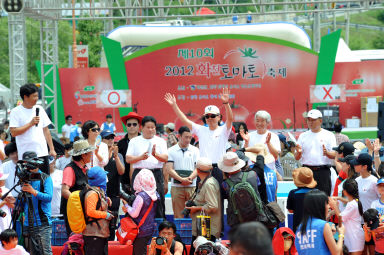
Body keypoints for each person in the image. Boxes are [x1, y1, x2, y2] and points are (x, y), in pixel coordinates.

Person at [9, 83, 56, 175]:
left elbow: (46, 130)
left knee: (44, 180)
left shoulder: (40, 109)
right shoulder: (16, 112)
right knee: (29, 182)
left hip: (42, 152)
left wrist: (52, 149)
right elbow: (13, 132)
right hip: (26, 155)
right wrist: (30, 124)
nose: (36, 99)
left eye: (37, 96)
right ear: (25, 97)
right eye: (34, 96)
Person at [126, 116, 168, 218]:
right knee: (138, 201)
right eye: (148, 127)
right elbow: (128, 159)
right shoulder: (134, 141)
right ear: (141, 128)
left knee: (158, 201)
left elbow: (165, 158)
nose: (150, 130)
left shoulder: (161, 141)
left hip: (155, 174)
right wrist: (140, 157)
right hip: (139, 174)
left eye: (152, 127)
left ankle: (159, 225)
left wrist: (156, 155)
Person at [295, 109, 337, 196]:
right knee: (305, 199)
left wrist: (327, 153)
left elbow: (334, 155)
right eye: (308, 120)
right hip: (306, 171)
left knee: (323, 198)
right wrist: (298, 153)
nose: (310, 122)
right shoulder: (303, 136)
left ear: (320, 121)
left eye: (313, 120)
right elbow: (296, 157)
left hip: (322, 171)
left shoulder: (329, 135)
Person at [19, 151, 53, 255]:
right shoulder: (25, 178)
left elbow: (49, 197)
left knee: (45, 252)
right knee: (31, 253)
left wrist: (33, 192)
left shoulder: (45, 178)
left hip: (42, 222)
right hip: (28, 223)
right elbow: (23, 201)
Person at [187, 157, 221, 255]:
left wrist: (195, 208)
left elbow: (212, 205)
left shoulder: (209, 184)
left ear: (197, 170)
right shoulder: (206, 181)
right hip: (204, 226)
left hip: (206, 227)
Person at [61, 140, 95, 236]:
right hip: (74, 213)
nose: (91, 154)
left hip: (83, 212)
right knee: (75, 241)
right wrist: (78, 201)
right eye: (90, 152)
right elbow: (64, 191)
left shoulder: (86, 169)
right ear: (83, 155)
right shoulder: (69, 169)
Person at [295, 190, 345, 255]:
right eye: (327, 203)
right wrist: (341, 234)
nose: (329, 207)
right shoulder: (323, 225)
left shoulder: (300, 227)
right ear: (321, 206)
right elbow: (336, 253)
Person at [220, 151, 262, 228]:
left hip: (237, 222)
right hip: (256, 219)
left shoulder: (225, 184)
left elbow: (225, 196)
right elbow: (258, 188)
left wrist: (224, 177)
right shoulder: (253, 175)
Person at [122, 169, 159, 255]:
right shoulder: (155, 194)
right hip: (149, 229)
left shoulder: (141, 196)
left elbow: (134, 214)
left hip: (139, 230)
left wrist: (127, 206)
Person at [165, 126, 199, 218]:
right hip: (176, 187)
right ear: (179, 136)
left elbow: (198, 168)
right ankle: (179, 232)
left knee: (194, 214)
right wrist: (181, 179)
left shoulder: (195, 150)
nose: (188, 140)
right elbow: (169, 169)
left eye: (190, 137)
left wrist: (189, 178)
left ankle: (194, 232)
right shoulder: (171, 151)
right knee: (178, 214)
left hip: (192, 186)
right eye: (186, 137)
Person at [83, 166, 113, 255]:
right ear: (100, 178)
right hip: (93, 235)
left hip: (100, 234)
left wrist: (106, 200)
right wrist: (105, 215)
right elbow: (90, 212)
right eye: (104, 176)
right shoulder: (92, 193)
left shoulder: (98, 192)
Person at [100, 129, 125, 241]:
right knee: (100, 223)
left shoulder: (118, 155)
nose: (110, 140)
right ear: (102, 140)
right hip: (100, 195)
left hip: (114, 195)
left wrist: (115, 156)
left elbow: (121, 171)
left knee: (112, 225)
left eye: (112, 138)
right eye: (107, 138)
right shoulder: (98, 154)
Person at [241, 110, 281, 176]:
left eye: (262, 121)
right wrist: (246, 142)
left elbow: (276, 156)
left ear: (267, 123)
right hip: (252, 172)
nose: (259, 123)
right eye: (257, 120)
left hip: (269, 171)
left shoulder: (273, 136)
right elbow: (243, 154)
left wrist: (268, 143)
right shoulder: (249, 136)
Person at [117, 112, 142, 194]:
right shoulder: (120, 143)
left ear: (139, 126)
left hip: (143, 180)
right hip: (125, 181)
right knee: (127, 206)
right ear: (126, 126)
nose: (132, 127)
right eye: (129, 124)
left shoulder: (145, 141)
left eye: (134, 124)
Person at [287, 167, 318, 232]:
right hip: (315, 228)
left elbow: (290, 210)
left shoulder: (293, 193)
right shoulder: (318, 193)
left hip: (298, 227)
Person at [339, 179, 364, 254]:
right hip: (352, 238)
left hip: (355, 239)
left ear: (345, 192)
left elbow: (340, 217)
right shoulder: (354, 202)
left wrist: (334, 206)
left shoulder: (352, 204)